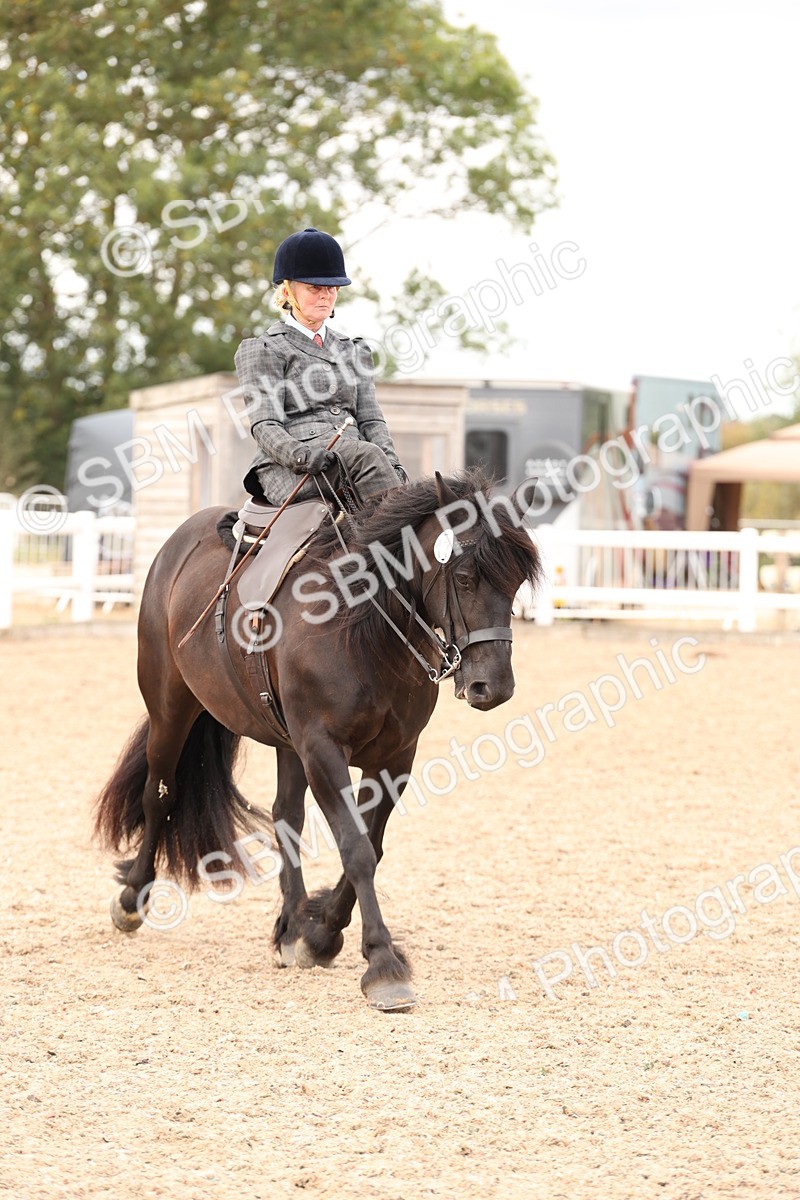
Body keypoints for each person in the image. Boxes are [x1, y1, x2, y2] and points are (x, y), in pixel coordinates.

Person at [235, 227, 407, 508]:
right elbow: (264, 424)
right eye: (314, 288)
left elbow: (371, 420)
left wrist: (393, 465)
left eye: (331, 288)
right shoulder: (265, 349)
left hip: (356, 459)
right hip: (293, 467)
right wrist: (299, 455)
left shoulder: (354, 350)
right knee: (370, 458)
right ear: (288, 290)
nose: (325, 296)